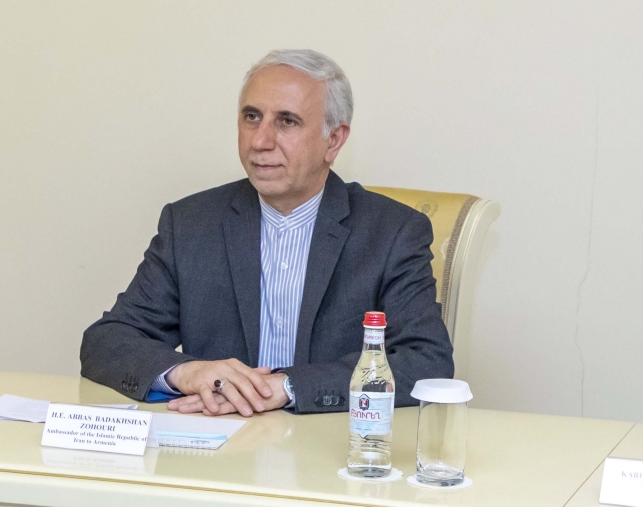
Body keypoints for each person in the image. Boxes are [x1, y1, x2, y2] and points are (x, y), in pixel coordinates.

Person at [81, 49, 453, 416]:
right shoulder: (190, 224)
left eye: (287, 121)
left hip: (328, 444)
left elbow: (426, 361)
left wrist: (286, 387)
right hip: (219, 443)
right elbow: (106, 340)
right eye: (252, 117)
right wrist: (187, 372)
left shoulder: (392, 233)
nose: (260, 141)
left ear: (334, 140)